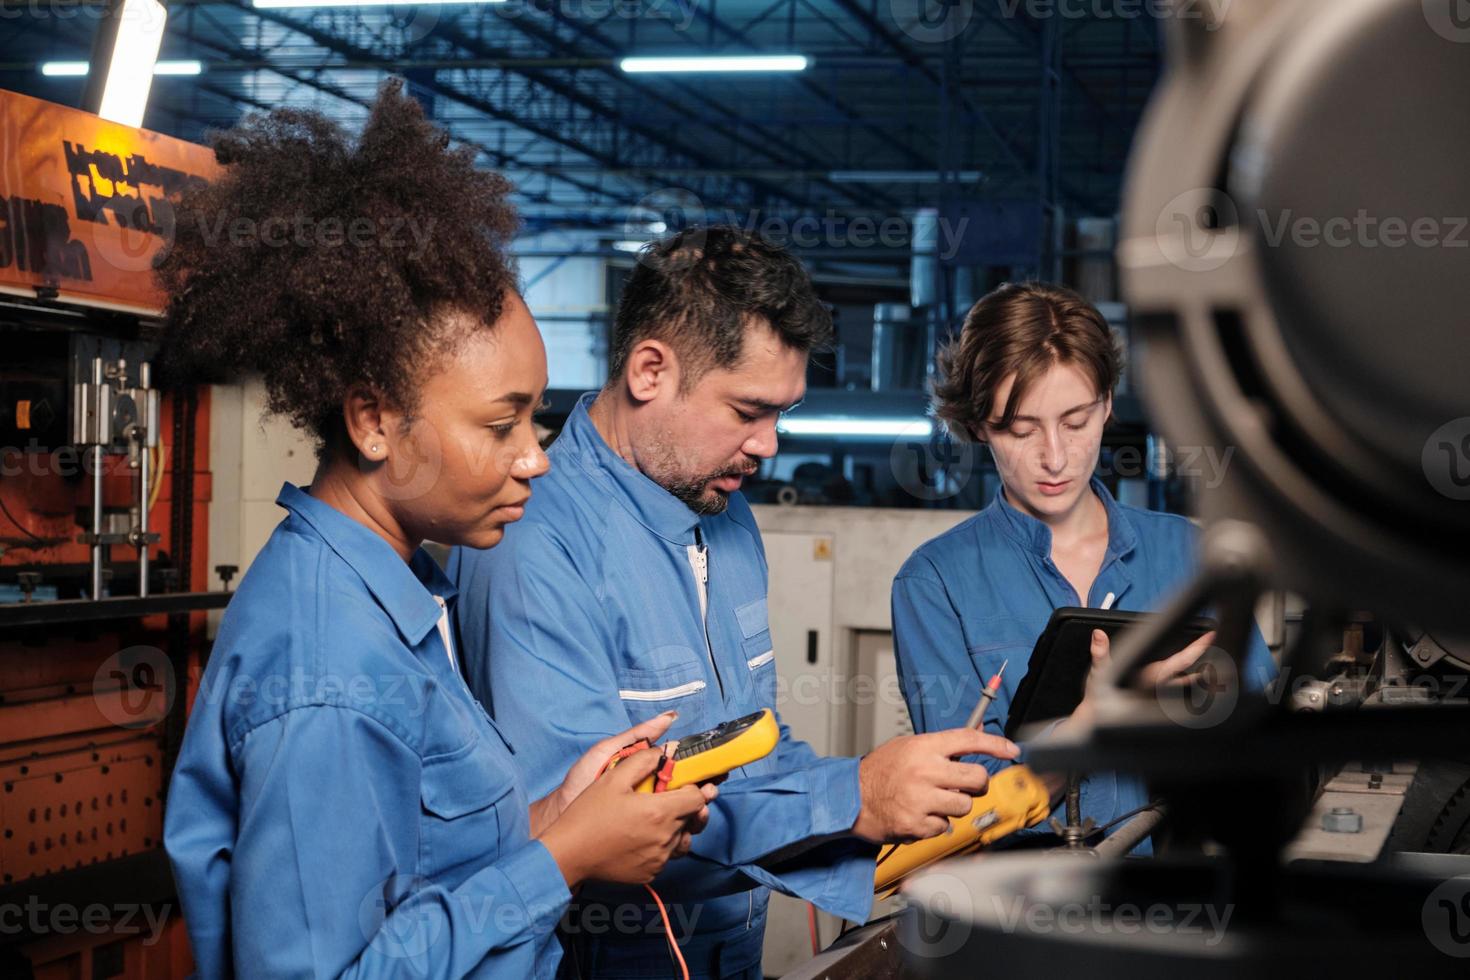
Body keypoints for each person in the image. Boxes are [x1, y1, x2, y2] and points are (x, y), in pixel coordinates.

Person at [160, 81, 714, 979]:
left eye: (537, 420)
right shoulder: (330, 671)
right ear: (375, 420)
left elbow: (419, 878)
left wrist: (561, 818)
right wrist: (565, 861)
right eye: (501, 427)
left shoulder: (392, 595)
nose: (535, 458)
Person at [450, 227, 1020, 979]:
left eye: (782, 413)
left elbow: (751, 746)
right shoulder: (535, 541)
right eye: (749, 410)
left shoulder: (724, 511)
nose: (771, 445)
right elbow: (596, 820)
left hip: (731, 946)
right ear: (651, 369)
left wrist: (888, 807)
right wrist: (853, 796)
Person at [891, 281, 1277, 852]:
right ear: (978, 426)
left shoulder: (1192, 555)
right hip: (1026, 912)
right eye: (1020, 429)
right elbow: (970, 805)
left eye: (1076, 422)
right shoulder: (934, 584)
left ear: (1108, 405)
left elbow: (1269, 743)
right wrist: (1092, 720)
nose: (1054, 456)